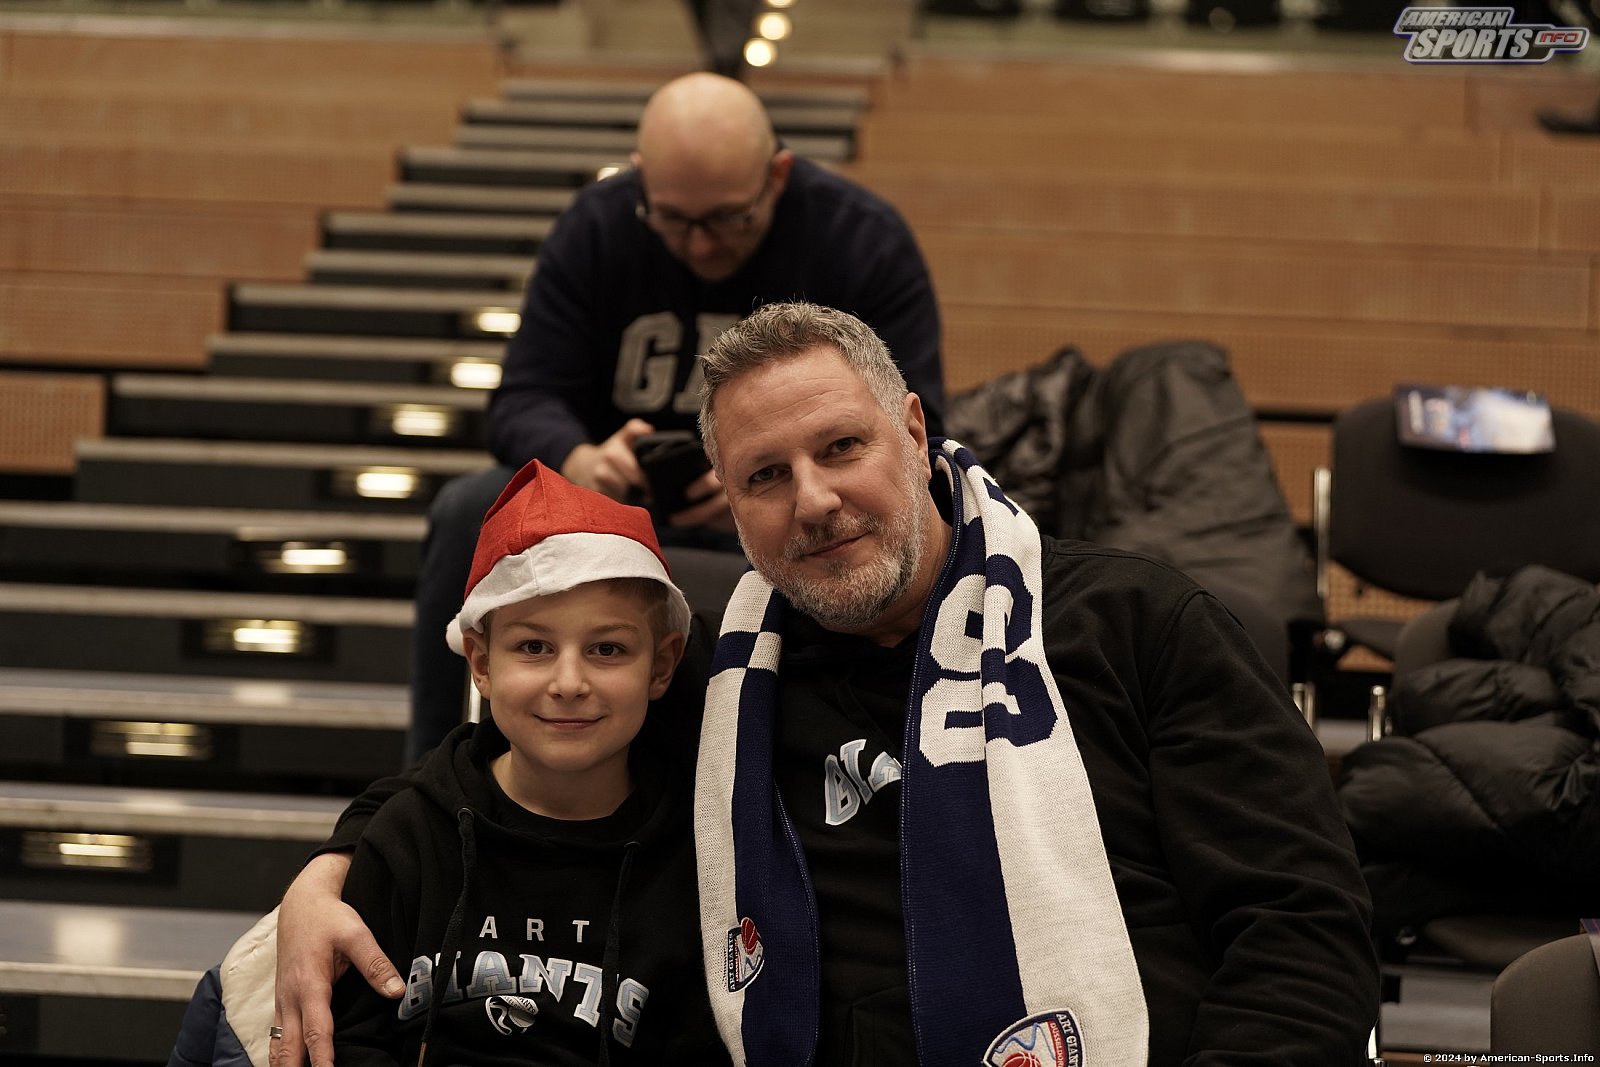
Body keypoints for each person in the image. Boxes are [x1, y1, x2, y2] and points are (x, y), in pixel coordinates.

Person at [274, 304, 1377, 1067]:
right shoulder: (718, 677)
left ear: (914, 432)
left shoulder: (1137, 625)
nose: (812, 500)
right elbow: (509, 759)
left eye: (841, 447)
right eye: (765, 474)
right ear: (729, 504)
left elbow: (1301, 928)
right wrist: (332, 870)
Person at [409, 71, 946, 761]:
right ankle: (434, 771)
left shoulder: (861, 238)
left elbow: (918, 420)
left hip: (779, 519)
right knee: (467, 509)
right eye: (672, 219)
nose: (699, 245)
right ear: (641, 180)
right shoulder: (598, 227)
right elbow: (522, 397)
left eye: (728, 219)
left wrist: (761, 489)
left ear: (777, 176)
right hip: (608, 507)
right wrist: (580, 459)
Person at [328, 459, 727, 1064]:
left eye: (607, 649)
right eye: (534, 647)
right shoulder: (407, 837)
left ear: (663, 665)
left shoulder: (697, 860)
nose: (568, 683)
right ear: (482, 664)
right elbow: (348, 1039)